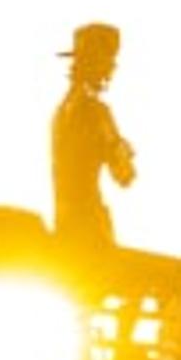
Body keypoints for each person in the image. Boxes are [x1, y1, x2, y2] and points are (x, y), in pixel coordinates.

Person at [51, 22, 137, 260]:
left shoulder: (61, 112)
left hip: (65, 229)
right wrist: (124, 150)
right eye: (110, 59)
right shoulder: (96, 112)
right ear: (99, 64)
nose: (114, 66)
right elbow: (125, 176)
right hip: (92, 233)